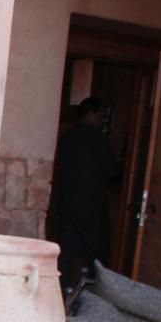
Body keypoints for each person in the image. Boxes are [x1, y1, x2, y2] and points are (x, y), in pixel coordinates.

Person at [54, 96, 120, 290]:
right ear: (91, 115)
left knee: (67, 254)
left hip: (67, 204)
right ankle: (94, 295)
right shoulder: (98, 139)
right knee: (97, 256)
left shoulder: (67, 138)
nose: (102, 121)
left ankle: (62, 293)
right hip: (92, 207)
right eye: (101, 116)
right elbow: (113, 169)